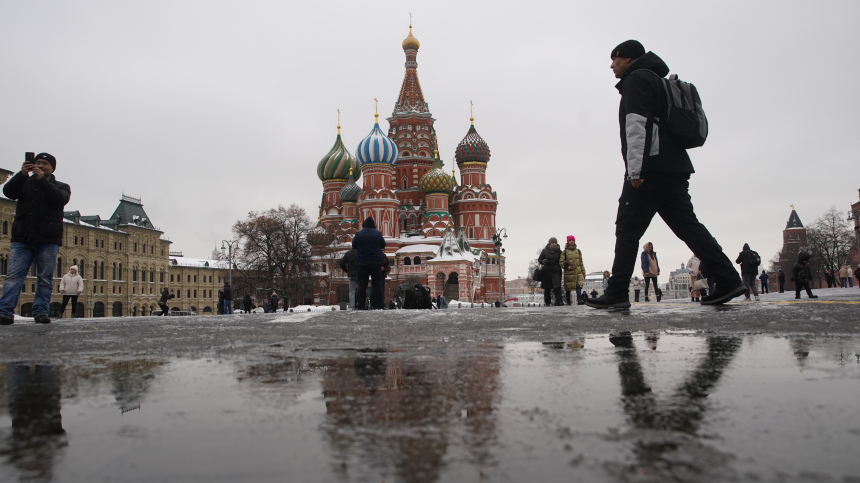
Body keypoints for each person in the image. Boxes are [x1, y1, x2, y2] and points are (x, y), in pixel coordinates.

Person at [587, 40, 745, 309]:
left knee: (626, 229)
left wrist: (635, 171)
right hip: (675, 167)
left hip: (651, 169)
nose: (612, 66)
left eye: (615, 59)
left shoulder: (636, 80)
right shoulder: (661, 82)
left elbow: (637, 126)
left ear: (628, 59)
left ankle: (616, 292)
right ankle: (729, 279)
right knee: (689, 228)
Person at [0, 153, 71, 325]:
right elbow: (8, 192)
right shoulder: (24, 183)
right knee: (13, 277)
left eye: (44, 164)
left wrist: (41, 180)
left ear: (52, 168)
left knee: (45, 278)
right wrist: (22, 174)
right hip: (22, 238)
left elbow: (59, 199)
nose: (40, 165)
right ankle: (4, 313)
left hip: (48, 240)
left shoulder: (61, 186)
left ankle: (40, 312)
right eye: (37, 162)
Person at [352, 217, 386, 310]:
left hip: (362, 263)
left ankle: (361, 305)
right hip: (376, 262)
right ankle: (379, 305)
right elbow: (383, 244)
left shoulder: (358, 234)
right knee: (377, 285)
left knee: (362, 285)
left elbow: (354, 246)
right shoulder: (378, 234)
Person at [560, 235, 586, 305]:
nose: (571, 242)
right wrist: (567, 267)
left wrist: (583, 271)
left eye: (573, 240)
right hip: (569, 273)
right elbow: (561, 262)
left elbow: (581, 262)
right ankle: (568, 300)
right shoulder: (564, 252)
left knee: (578, 285)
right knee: (568, 288)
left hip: (578, 272)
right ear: (568, 242)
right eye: (570, 240)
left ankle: (579, 299)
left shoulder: (578, 251)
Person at [538, 237, 563, 306]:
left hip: (556, 270)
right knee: (547, 287)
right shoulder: (544, 251)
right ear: (550, 243)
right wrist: (543, 261)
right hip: (547, 271)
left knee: (557, 286)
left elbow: (562, 260)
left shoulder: (559, 252)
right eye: (553, 243)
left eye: (555, 242)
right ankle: (547, 302)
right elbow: (540, 260)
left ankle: (559, 301)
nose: (554, 244)